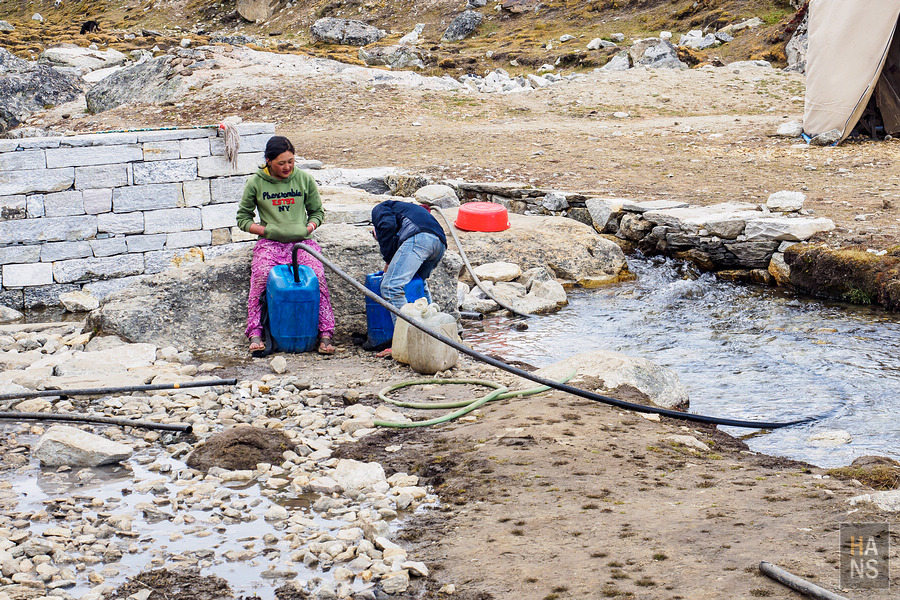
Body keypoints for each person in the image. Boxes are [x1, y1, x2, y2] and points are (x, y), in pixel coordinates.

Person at [236, 135, 336, 355]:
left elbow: (318, 213)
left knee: (317, 276)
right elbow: (243, 219)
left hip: (301, 243)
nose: (287, 167)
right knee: (261, 277)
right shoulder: (256, 182)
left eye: (291, 161)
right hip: (270, 244)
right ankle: (255, 333)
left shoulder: (304, 179)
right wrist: (268, 231)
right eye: (281, 163)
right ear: (269, 161)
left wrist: (307, 228)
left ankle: (326, 335)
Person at [371, 199, 447, 357]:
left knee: (390, 287)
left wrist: (387, 258)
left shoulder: (380, 209)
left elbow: (387, 227)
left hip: (420, 238)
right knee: (420, 283)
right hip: (439, 243)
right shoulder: (406, 210)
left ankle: (405, 342)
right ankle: (434, 334)